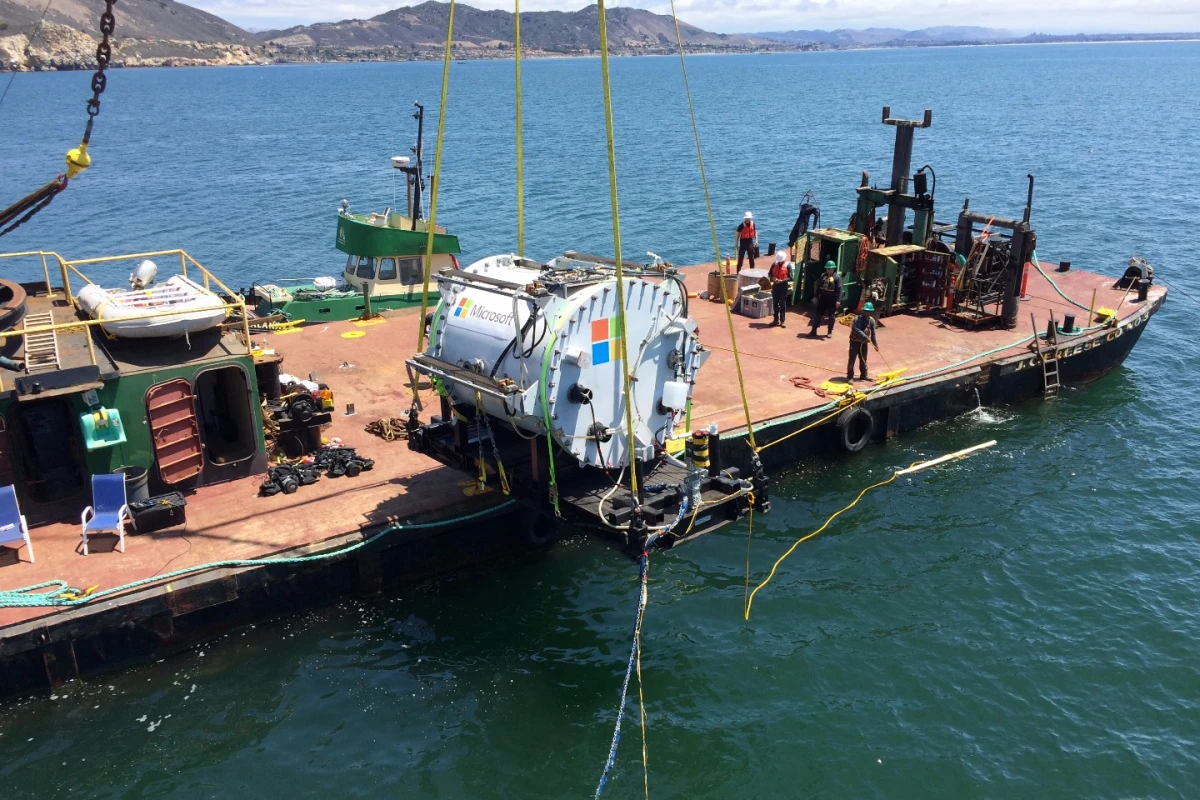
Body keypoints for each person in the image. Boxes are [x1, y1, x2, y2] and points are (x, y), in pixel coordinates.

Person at [808, 260, 842, 338]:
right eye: (827, 268)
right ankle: (813, 331)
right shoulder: (823, 276)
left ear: (833, 269)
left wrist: (838, 300)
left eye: (830, 269)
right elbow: (818, 286)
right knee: (818, 314)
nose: (828, 270)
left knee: (831, 316)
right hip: (823, 298)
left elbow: (840, 289)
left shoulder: (837, 278)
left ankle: (830, 331)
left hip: (832, 299)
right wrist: (816, 296)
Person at [847, 301, 878, 382]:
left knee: (863, 359)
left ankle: (863, 375)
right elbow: (856, 329)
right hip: (855, 342)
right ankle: (850, 377)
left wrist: (875, 345)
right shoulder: (857, 319)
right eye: (864, 311)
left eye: (867, 311)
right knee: (852, 360)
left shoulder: (872, 321)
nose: (865, 312)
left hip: (864, 343)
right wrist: (865, 336)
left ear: (871, 312)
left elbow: (873, 334)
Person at [768, 250, 792, 327]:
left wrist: (783, 280)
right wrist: (773, 278)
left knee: (782, 304)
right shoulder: (774, 264)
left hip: (783, 287)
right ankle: (775, 320)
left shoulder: (788, 265)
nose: (780, 262)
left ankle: (782, 321)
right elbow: (770, 274)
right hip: (775, 287)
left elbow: (791, 277)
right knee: (775, 303)